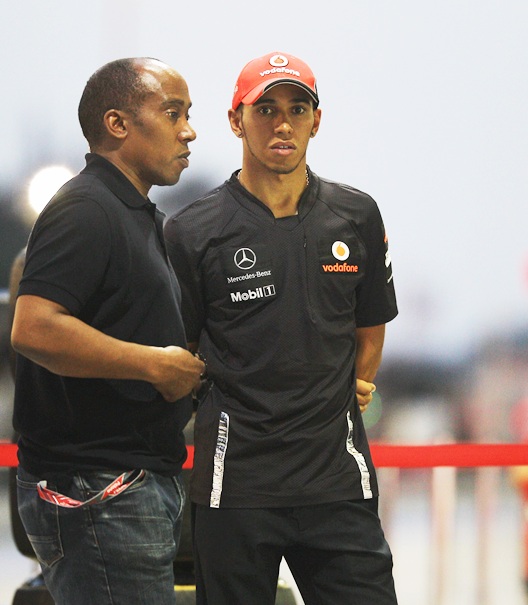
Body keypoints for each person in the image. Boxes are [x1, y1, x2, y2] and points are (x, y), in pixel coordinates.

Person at [164, 51, 399, 605]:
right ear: (235, 120)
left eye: (298, 107)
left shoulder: (356, 215)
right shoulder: (191, 231)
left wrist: (354, 384)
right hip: (234, 490)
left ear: (317, 120)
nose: (282, 122)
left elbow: (370, 328)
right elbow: (183, 351)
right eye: (265, 108)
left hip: (338, 484)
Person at [10, 57, 205, 605]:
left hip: (128, 485)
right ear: (118, 124)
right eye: (173, 113)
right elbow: (34, 328)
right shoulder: (85, 209)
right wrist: (153, 364)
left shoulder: (139, 215)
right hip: (101, 492)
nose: (188, 130)